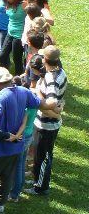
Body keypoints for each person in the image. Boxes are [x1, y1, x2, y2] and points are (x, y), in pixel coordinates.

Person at [0, 68, 59, 213]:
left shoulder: (2, 96)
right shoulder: (24, 91)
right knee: (7, 178)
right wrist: (54, 104)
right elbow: (41, 104)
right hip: (17, 144)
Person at [26, 46, 67, 197]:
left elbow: (52, 101)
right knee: (39, 154)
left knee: (43, 156)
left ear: (45, 60)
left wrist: (38, 99)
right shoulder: (61, 72)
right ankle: (37, 178)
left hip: (47, 125)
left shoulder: (51, 79)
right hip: (44, 122)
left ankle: (41, 187)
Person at [0, 0, 25, 75]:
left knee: (16, 59)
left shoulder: (23, 5)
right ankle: (4, 75)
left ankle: (18, 78)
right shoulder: (8, 4)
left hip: (19, 35)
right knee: (2, 55)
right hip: (10, 33)